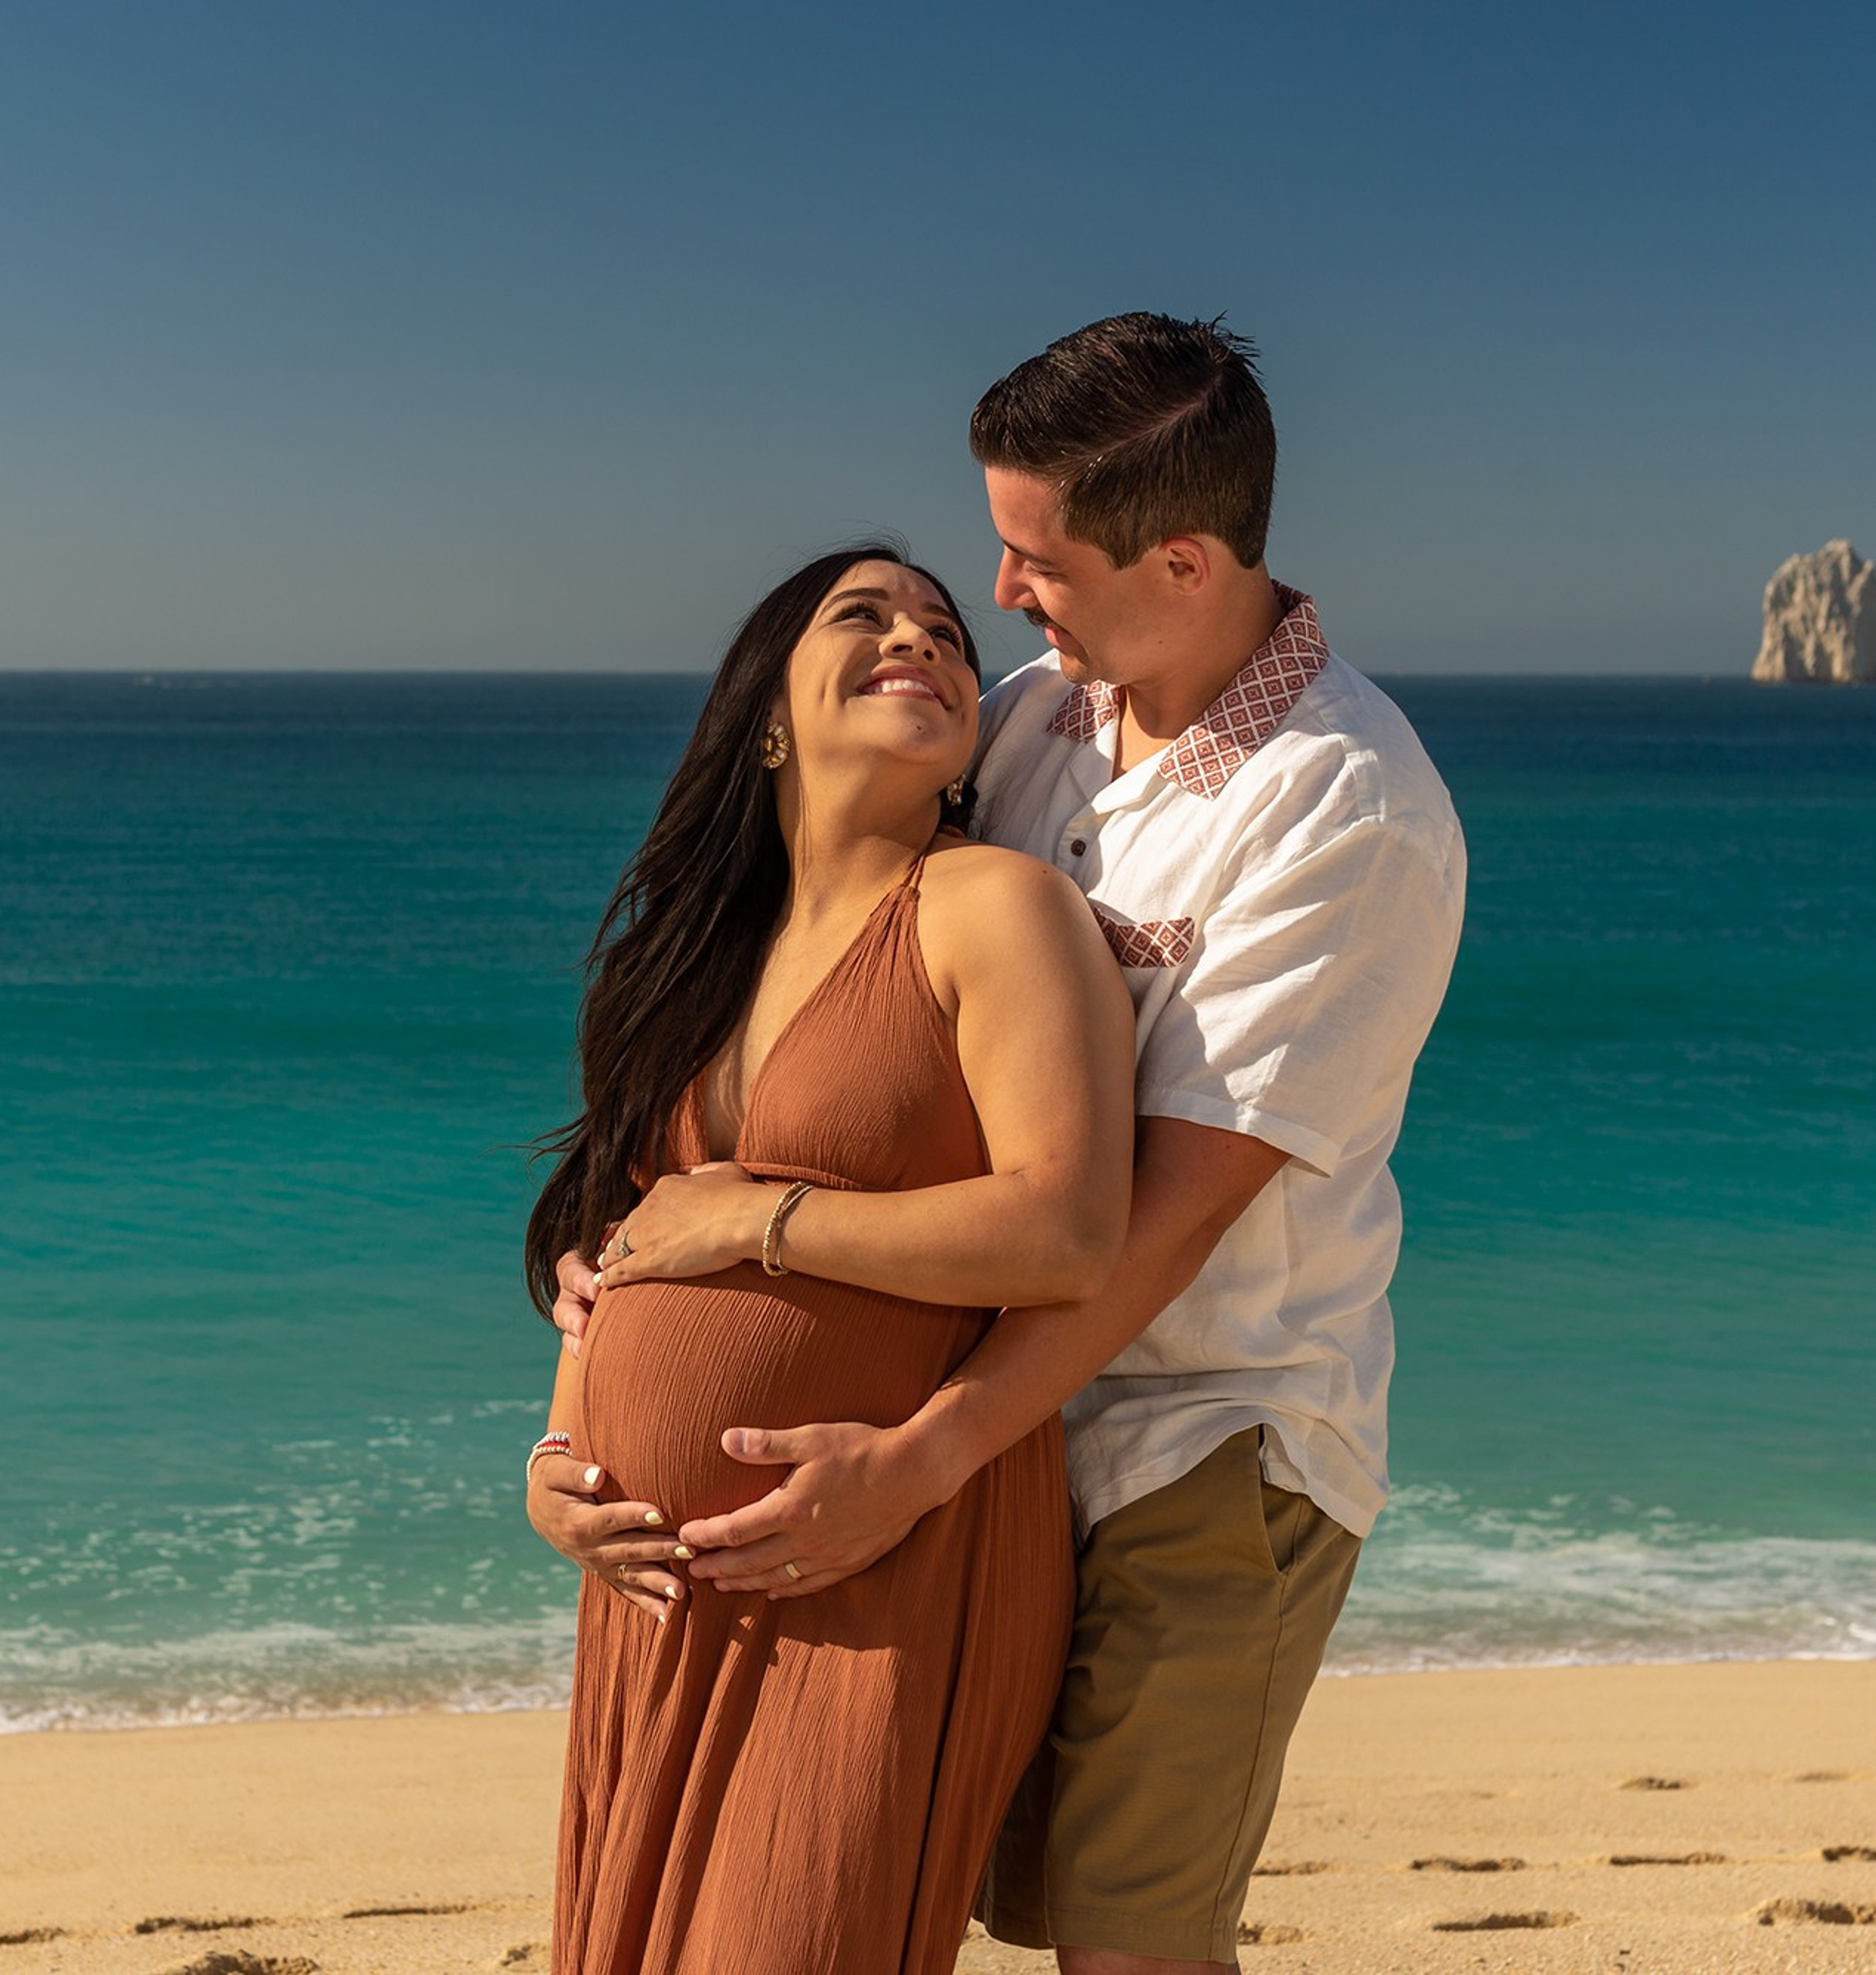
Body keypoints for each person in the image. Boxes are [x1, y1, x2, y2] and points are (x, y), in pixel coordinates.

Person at [544, 313, 1466, 1973]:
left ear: (1180, 562)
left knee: (1125, 1933)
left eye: (1034, 559)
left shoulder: (1344, 811)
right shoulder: (1036, 715)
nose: (999, 593)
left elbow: (1143, 1227)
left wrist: (906, 1438)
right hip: (992, 1449)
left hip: (1202, 1433)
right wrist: (613, 1306)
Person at [523, 545, 1135, 1975]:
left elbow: (1067, 1228)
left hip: (880, 1550)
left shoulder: (994, 908)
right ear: (768, 722)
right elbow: (623, 1248)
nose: (919, 639)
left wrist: (761, 1217)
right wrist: (557, 1461)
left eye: (945, 633)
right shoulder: (689, 964)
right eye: (865, 617)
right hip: (660, 1587)